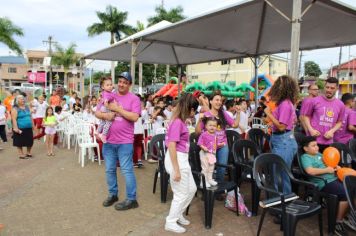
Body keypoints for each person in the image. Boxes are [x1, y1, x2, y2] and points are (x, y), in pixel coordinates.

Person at [95, 72, 141, 211]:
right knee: (109, 170)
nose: (121, 84)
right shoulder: (109, 94)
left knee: (127, 170)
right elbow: (97, 112)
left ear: (129, 85)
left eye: (125, 82)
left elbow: (134, 117)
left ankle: (132, 199)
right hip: (109, 141)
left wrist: (117, 109)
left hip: (125, 142)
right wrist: (106, 115)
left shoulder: (134, 99)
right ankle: (113, 194)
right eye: (120, 81)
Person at [300, 136, 356, 236]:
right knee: (345, 193)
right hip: (323, 183)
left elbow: (331, 162)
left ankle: (350, 215)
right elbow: (310, 171)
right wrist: (327, 170)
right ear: (305, 148)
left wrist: (336, 167)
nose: (317, 147)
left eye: (316, 145)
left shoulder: (320, 154)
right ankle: (338, 222)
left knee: (353, 188)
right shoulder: (305, 157)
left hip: (335, 178)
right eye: (313, 146)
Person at [164, 93, 198, 234]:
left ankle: (178, 214)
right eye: (193, 110)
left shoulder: (180, 121)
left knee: (191, 189)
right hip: (176, 159)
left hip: (181, 158)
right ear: (189, 109)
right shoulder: (177, 122)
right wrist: (176, 170)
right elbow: (171, 145)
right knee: (181, 193)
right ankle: (170, 221)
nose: (194, 113)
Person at [195, 90, 241, 184]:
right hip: (208, 147)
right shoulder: (206, 115)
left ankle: (218, 187)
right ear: (210, 101)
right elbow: (197, 132)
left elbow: (235, 125)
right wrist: (200, 121)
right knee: (208, 167)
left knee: (222, 167)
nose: (219, 102)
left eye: (220, 100)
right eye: (216, 100)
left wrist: (239, 113)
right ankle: (206, 187)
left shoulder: (223, 114)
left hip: (222, 145)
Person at [264, 75, 299, 194]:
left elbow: (281, 126)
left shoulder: (285, 104)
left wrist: (269, 114)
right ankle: (282, 203)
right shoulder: (286, 103)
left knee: (281, 175)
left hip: (283, 141)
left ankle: (284, 204)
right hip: (284, 140)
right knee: (280, 173)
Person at [302, 77, 345, 153]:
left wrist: (332, 131)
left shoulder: (340, 105)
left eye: (332, 88)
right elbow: (305, 116)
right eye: (327, 87)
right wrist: (310, 129)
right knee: (312, 164)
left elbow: (340, 122)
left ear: (337, 89)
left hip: (328, 142)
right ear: (324, 87)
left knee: (326, 164)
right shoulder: (314, 101)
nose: (329, 90)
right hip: (313, 142)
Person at [197, 117, 218, 188]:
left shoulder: (215, 135)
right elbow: (199, 143)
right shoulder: (204, 134)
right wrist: (204, 148)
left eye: (214, 126)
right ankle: (203, 182)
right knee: (205, 168)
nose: (212, 127)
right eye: (210, 125)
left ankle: (209, 179)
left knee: (211, 167)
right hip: (204, 153)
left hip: (212, 154)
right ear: (206, 126)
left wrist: (216, 148)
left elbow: (215, 143)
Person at [11, 95, 34, 159]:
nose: (23, 100)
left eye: (23, 99)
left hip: (28, 127)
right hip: (20, 128)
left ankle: (28, 152)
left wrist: (33, 125)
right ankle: (21, 154)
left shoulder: (27, 107)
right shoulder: (15, 108)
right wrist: (16, 128)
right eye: (21, 99)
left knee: (30, 141)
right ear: (17, 101)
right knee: (19, 142)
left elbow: (30, 116)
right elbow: (14, 119)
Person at [96, 77, 116, 143]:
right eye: (107, 85)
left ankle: (98, 131)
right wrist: (109, 109)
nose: (110, 86)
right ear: (103, 87)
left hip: (101, 108)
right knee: (108, 122)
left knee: (102, 122)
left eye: (111, 84)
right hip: (105, 108)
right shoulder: (107, 94)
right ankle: (103, 135)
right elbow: (105, 102)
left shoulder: (105, 92)